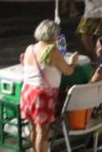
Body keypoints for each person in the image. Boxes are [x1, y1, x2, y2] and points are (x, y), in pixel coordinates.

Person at [21, 20, 79, 152]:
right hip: (42, 96)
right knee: (43, 132)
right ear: (53, 35)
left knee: (33, 129)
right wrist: (73, 62)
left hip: (27, 93)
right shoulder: (52, 51)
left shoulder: (30, 48)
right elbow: (68, 71)